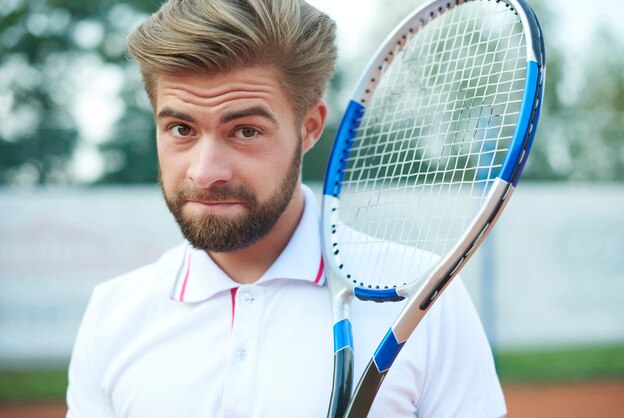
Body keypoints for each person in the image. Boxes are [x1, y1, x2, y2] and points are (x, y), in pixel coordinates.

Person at [66, 0, 507, 417]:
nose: (205, 173)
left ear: (309, 127)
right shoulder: (113, 315)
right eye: (181, 128)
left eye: (245, 131)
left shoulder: (422, 295)